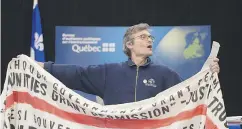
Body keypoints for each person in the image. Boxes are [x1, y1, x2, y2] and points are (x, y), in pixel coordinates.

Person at [38, 23, 220, 105]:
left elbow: (191, 94)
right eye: (143, 37)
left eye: (150, 37)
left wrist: (209, 76)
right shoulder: (109, 72)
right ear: (129, 44)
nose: (149, 40)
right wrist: (43, 67)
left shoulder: (166, 74)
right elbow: (77, 74)